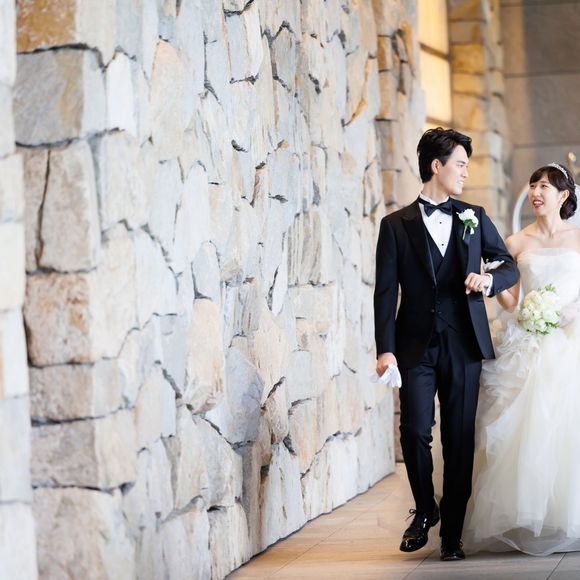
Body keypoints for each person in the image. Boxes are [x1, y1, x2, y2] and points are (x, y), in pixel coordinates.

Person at [374, 127, 519, 561]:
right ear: (436, 166)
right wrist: (385, 349)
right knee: (414, 430)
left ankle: (452, 534)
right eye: (460, 164)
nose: (466, 172)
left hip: (464, 344)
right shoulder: (395, 226)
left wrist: (488, 280)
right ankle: (424, 509)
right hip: (414, 346)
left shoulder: (474, 215)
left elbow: (508, 265)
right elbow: (385, 293)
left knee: (458, 438)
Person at [464, 163, 580, 556]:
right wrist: (494, 284)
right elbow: (512, 301)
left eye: (545, 186)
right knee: (523, 427)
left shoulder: (579, 237)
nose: (536, 192)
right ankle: (530, 516)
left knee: (565, 424)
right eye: (533, 185)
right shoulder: (516, 241)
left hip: (571, 338)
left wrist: (574, 311)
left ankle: (567, 514)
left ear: (563, 195)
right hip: (528, 338)